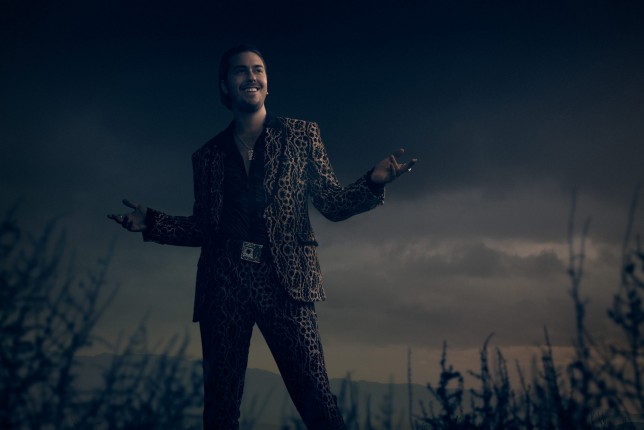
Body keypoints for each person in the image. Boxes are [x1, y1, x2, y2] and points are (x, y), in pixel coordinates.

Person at [108, 44, 417, 430]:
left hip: (286, 283)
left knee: (317, 399)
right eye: (240, 70)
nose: (250, 76)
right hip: (224, 285)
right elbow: (205, 228)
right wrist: (152, 223)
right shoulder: (206, 157)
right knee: (220, 410)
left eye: (258, 69)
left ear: (267, 83)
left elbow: (332, 203)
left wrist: (372, 183)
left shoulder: (302, 136)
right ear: (225, 85)